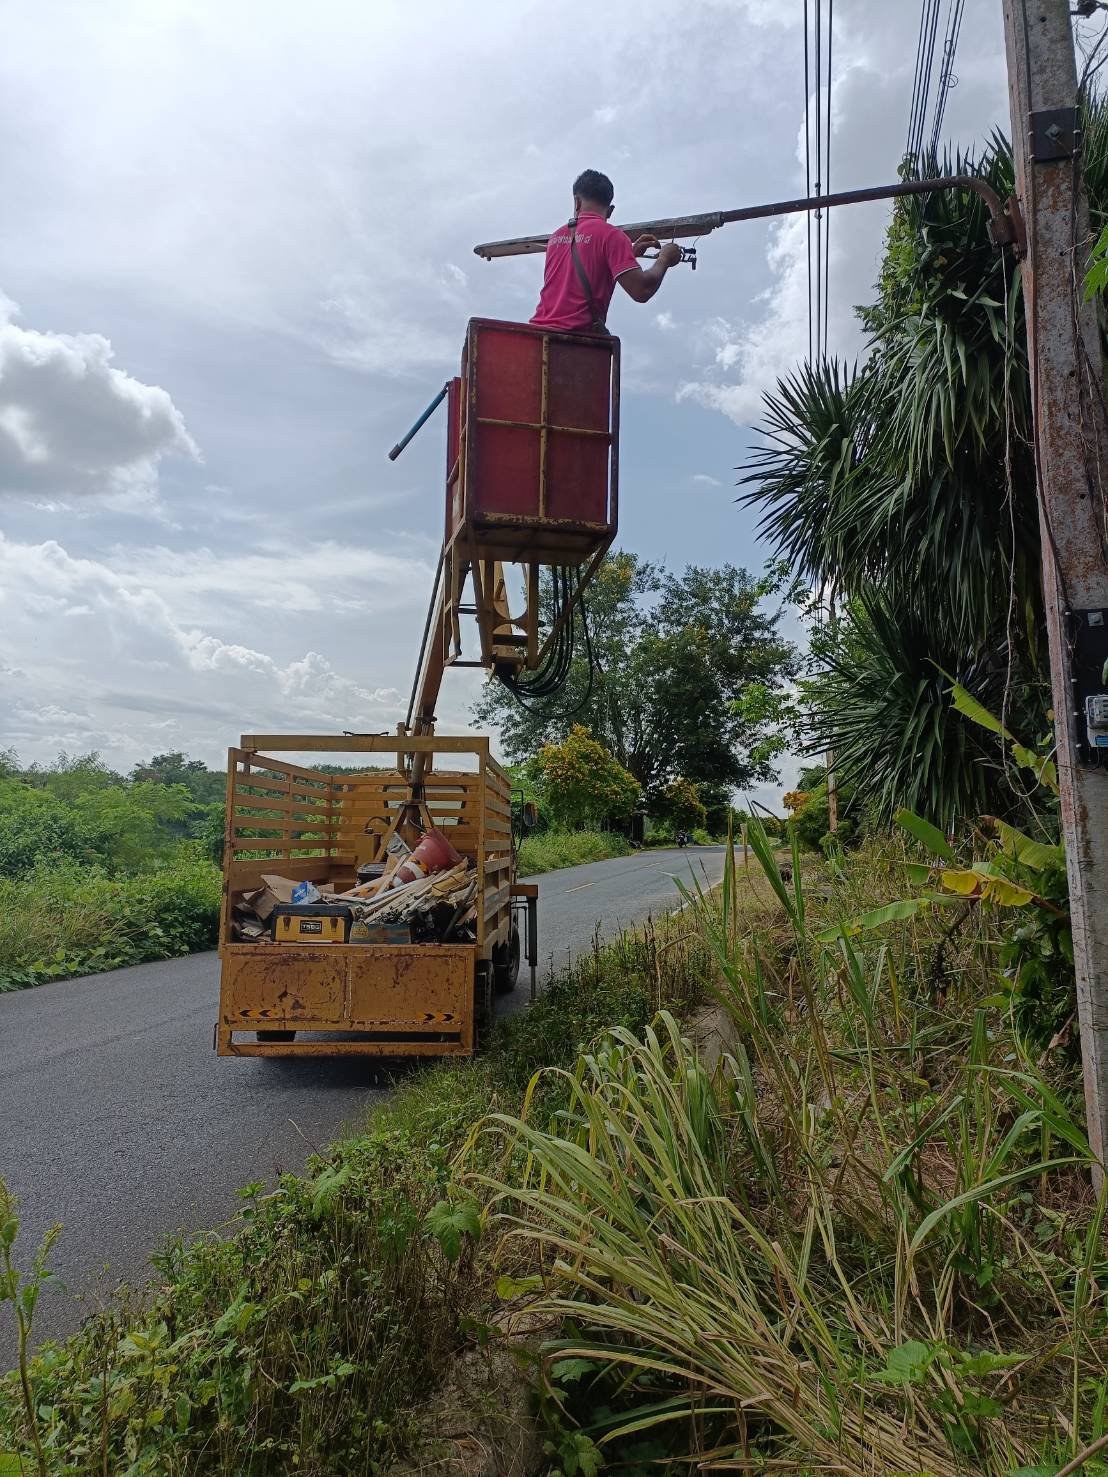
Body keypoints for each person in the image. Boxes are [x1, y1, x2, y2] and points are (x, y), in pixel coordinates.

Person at [530, 168, 682, 334]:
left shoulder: (556, 238)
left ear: (577, 201)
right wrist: (664, 259)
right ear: (610, 210)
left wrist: (629, 255)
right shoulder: (612, 236)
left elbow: (582, 278)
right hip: (572, 344)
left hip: (535, 335)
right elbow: (641, 289)